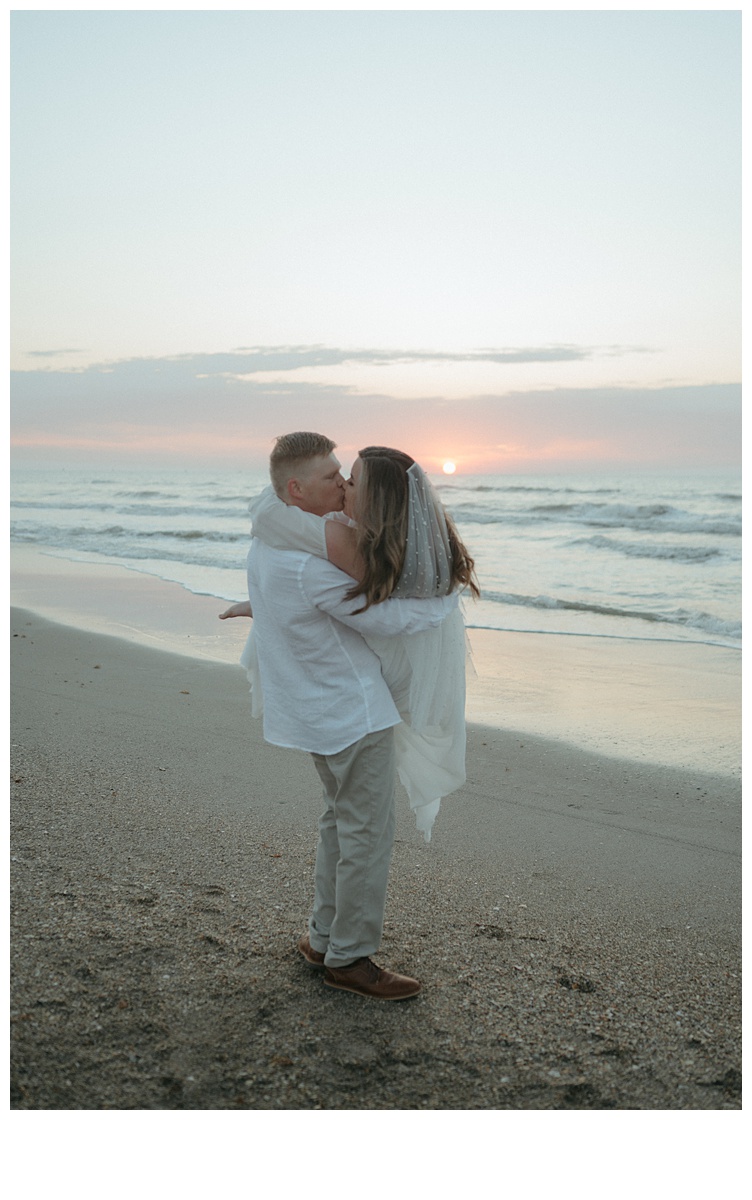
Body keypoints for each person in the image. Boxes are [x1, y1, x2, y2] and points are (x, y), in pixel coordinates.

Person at [228, 432, 461, 1001]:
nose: (343, 483)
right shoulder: (316, 567)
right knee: (368, 834)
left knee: (339, 822)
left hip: (314, 716)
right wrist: (447, 597)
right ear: (295, 489)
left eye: (345, 474)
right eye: (333, 477)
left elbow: (289, 602)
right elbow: (389, 621)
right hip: (352, 716)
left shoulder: (269, 547)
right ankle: (350, 958)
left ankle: (322, 937)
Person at [236, 444, 478, 842]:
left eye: (351, 480)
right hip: (355, 700)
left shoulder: (385, 556)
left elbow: (376, 615)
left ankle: (330, 907)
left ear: (377, 499)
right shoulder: (331, 536)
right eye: (339, 478)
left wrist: (444, 604)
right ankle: (341, 906)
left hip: (381, 678)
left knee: (345, 815)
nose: (343, 487)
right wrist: (264, 605)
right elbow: (340, 600)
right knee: (360, 824)